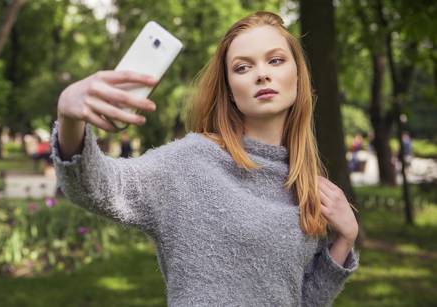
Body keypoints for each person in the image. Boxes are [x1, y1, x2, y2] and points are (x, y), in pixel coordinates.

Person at [52, 11, 359, 306]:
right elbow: (94, 186)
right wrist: (69, 119)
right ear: (229, 89)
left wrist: (345, 238)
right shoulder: (189, 164)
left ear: (297, 75)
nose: (262, 74)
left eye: (275, 60)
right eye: (242, 67)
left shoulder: (305, 185)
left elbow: (302, 301)